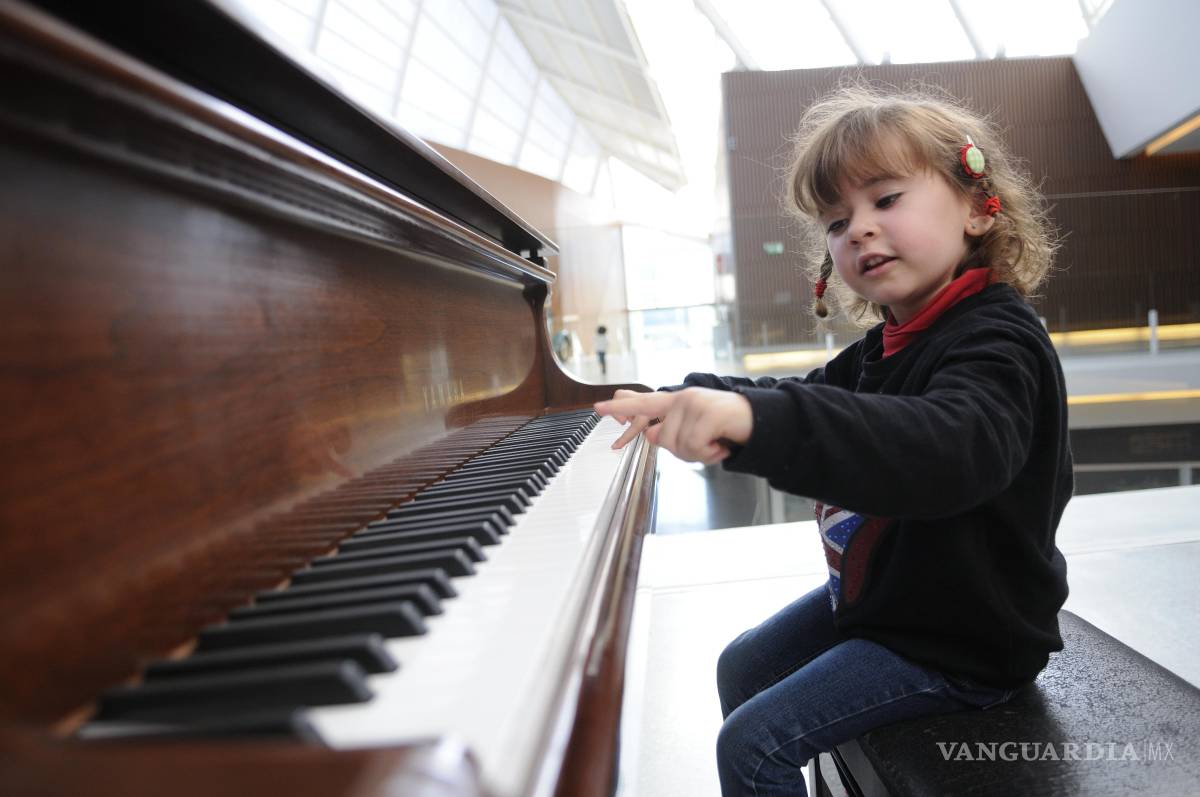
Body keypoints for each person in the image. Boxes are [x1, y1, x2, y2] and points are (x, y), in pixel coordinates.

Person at [595, 85, 1072, 795]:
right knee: (741, 666)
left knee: (753, 746)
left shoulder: (998, 339)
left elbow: (947, 450)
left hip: (962, 636)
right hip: (894, 599)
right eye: (835, 218)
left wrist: (756, 423)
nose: (858, 229)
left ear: (977, 206)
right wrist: (686, 393)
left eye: (886, 199)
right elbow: (811, 395)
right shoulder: (890, 342)